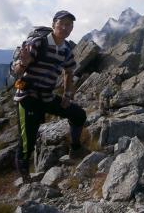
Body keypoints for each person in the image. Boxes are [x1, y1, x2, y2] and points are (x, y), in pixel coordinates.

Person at [13, 10, 87, 182]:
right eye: (62, 23)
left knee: (78, 114)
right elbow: (16, 71)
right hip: (28, 97)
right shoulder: (39, 42)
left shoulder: (66, 48)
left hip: (46, 96)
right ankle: (25, 179)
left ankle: (75, 148)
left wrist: (67, 95)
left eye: (69, 25)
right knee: (27, 141)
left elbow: (69, 70)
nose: (65, 27)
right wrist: (22, 63)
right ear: (54, 24)